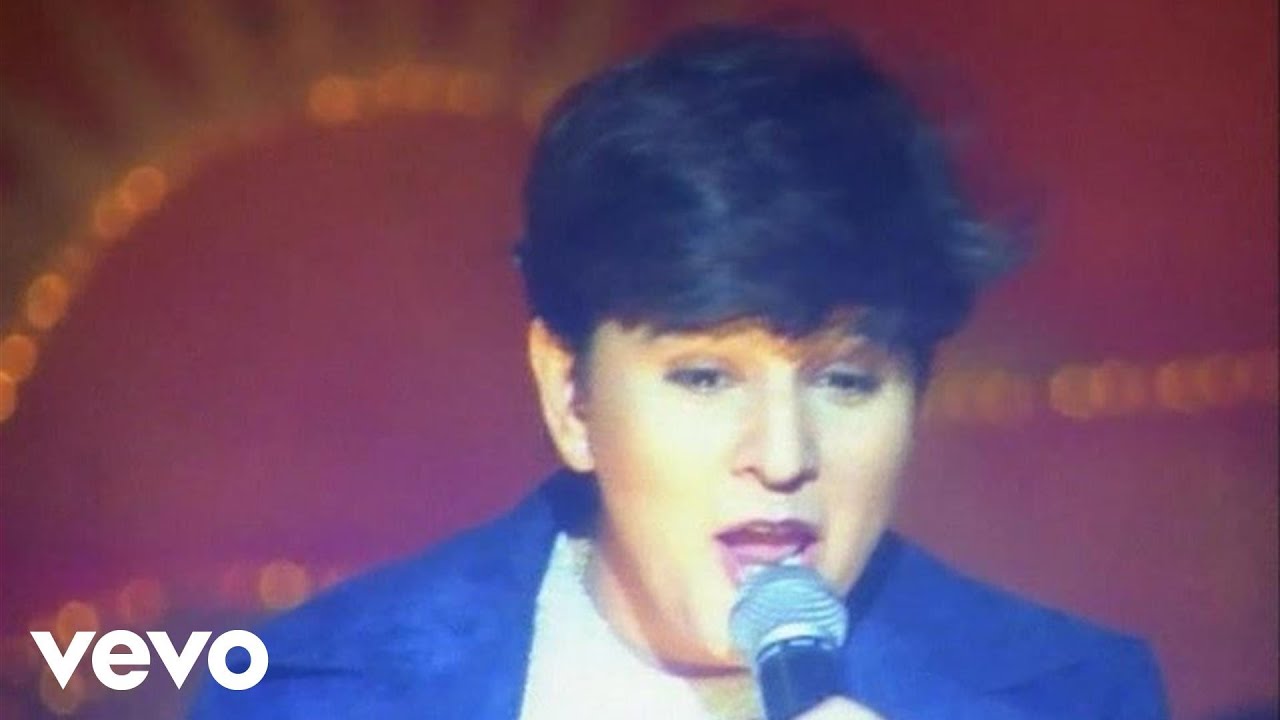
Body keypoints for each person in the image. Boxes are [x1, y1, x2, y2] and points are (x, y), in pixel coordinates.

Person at [190, 23, 1168, 719]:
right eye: (705, 378)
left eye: (844, 381)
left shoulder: (1076, 698)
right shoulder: (304, 691)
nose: (782, 456)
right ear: (570, 395)